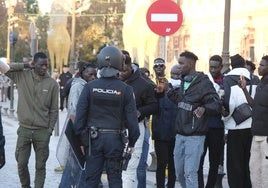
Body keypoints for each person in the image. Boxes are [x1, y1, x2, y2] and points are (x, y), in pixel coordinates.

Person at [73, 46, 140, 188]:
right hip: (115, 141)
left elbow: (79, 119)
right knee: (115, 180)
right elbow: (133, 123)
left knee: (90, 180)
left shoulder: (89, 87)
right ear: (119, 63)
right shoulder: (126, 90)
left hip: (93, 140)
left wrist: (83, 141)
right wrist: (132, 143)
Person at [155, 51, 222, 188]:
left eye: (181, 63)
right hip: (179, 134)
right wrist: (168, 90)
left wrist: (204, 108)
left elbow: (216, 104)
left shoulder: (203, 82)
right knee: (180, 173)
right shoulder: (183, 80)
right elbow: (179, 101)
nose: (178, 66)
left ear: (191, 64)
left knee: (190, 173)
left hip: (195, 136)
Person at [4, 52, 59, 188]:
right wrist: (25, 65)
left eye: (46, 65)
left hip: (42, 132)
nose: (45, 68)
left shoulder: (52, 84)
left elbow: (54, 110)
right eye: (41, 65)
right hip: (24, 130)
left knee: (40, 166)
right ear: (33, 64)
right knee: (21, 163)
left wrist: (49, 130)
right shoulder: (22, 76)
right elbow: (3, 67)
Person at [119, 50, 158, 188]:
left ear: (131, 67)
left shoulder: (144, 84)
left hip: (136, 128)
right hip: (115, 128)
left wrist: (140, 111)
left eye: (124, 70)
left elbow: (154, 106)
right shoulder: (113, 80)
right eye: (119, 70)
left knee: (131, 165)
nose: (121, 73)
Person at [222, 54, 259, 188]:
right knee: (248, 162)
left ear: (231, 65)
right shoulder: (255, 78)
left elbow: (227, 103)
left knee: (234, 163)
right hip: (251, 127)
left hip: (234, 126)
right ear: (244, 64)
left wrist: (225, 119)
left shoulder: (228, 79)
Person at [59, 62, 97, 187]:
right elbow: (73, 113)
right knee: (73, 169)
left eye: (95, 75)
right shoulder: (78, 87)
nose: (93, 77)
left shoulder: (86, 86)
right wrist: (80, 139)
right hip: (77, 135)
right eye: (90, 74)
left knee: (79, 168)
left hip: (83, 134)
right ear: (82, 73)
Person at [240, 55, 268, 188]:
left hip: (266, 137)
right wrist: (244, 89)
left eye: (263, 65)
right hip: (256, 134)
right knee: (254, 170)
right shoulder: (260, 84)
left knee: (266, 171)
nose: (259, 67)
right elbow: (254, 104)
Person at [198, 55, 225, 188]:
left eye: (215, 67)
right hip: (202, 127)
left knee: (214, 162)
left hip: (218, 127)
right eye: (211, 67)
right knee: (199, 161)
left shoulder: (226, 82)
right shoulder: (203, 80)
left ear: (221, 67)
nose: (213, 70)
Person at [152, 62, 179, 188]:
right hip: (161, 132)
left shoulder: (182, 89)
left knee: (173, 164)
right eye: (174, 74)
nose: (176, 76)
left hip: (176, 132)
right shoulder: (157, 86)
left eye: (178, 74)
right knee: (161, 164)